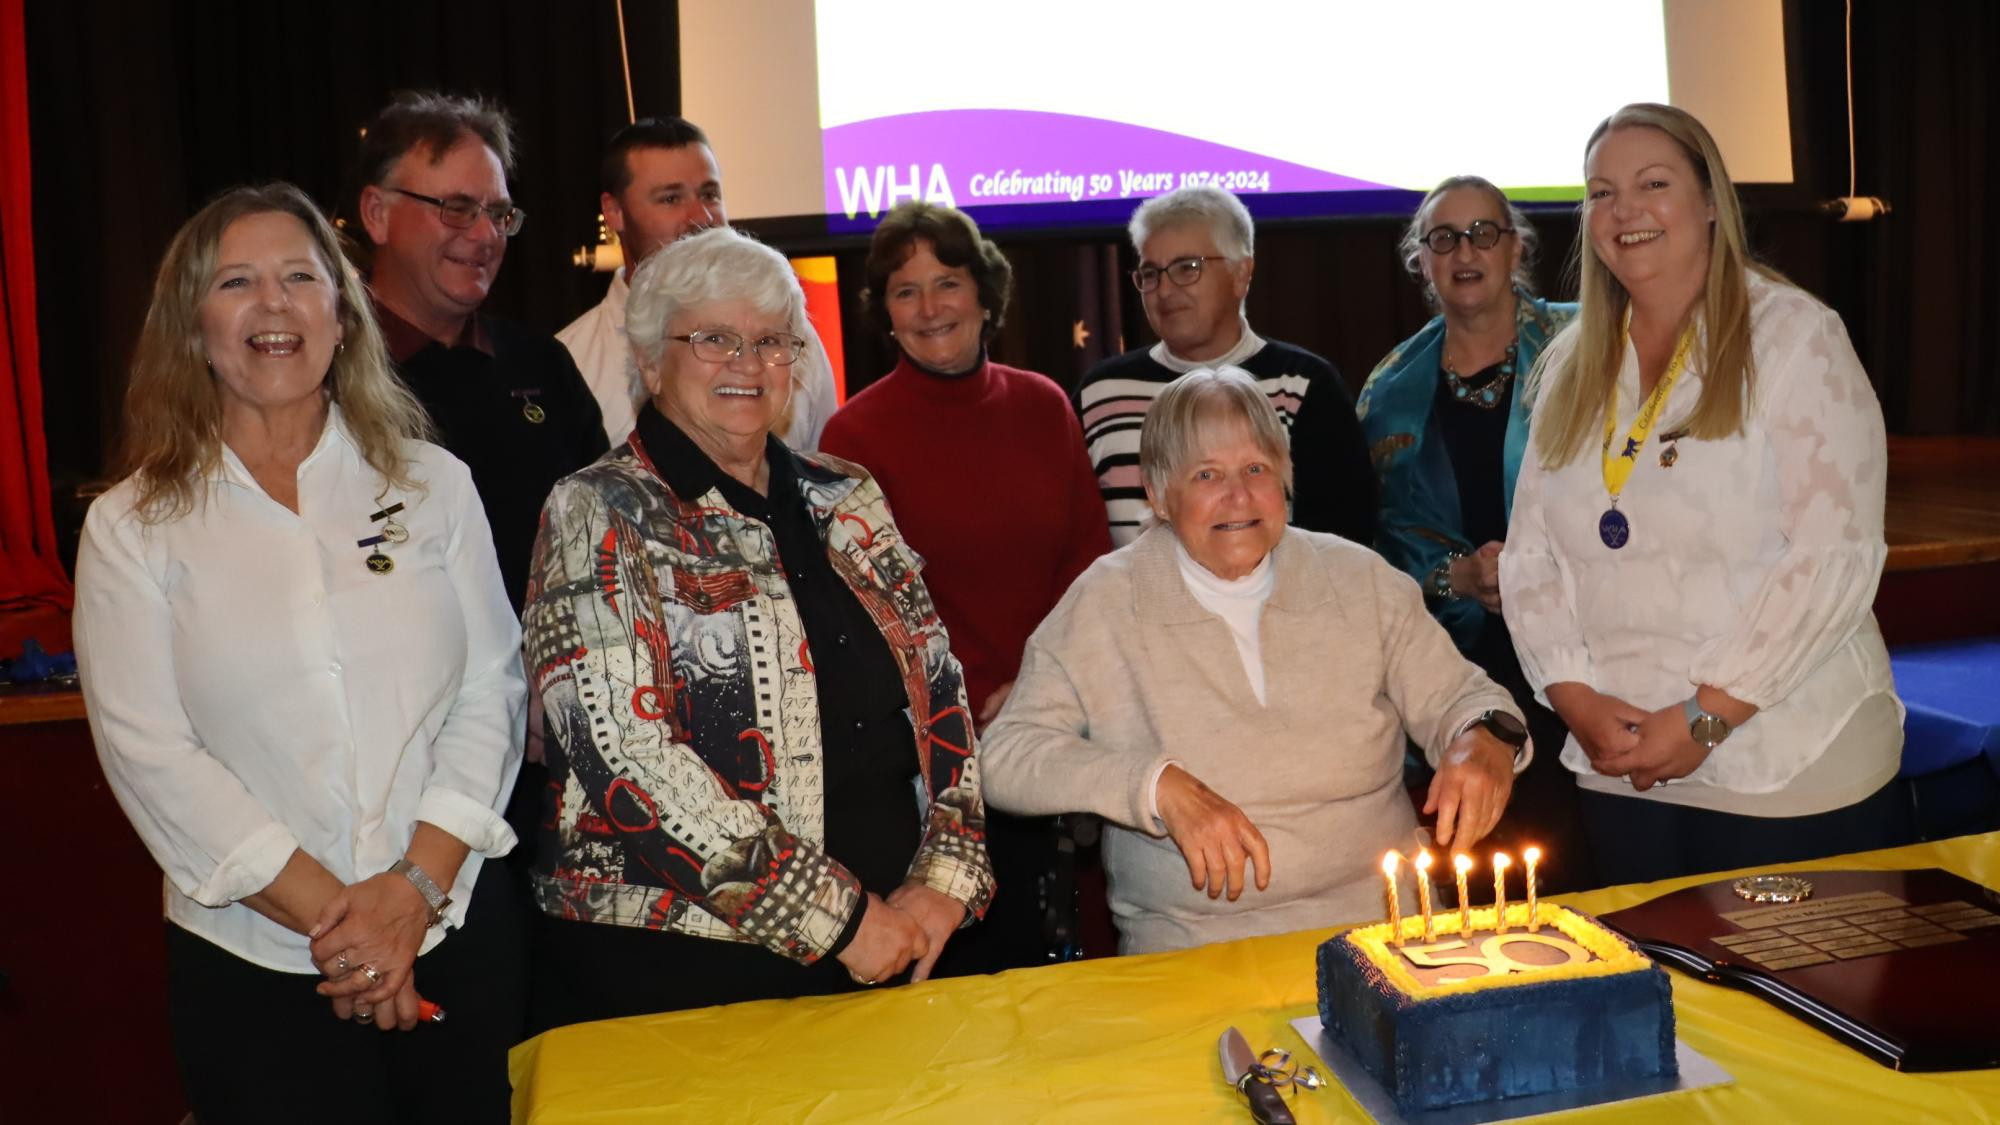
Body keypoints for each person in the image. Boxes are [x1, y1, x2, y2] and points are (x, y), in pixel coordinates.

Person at [72, 184, 527, 1123]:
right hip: (252, 974)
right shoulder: (131, 525)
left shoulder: (435, 484)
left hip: (453, 935)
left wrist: (411, 895)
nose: (273, 304)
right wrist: (356, 931)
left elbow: (492, 691)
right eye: (236, 281)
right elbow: (152, 756)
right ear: (192, 327)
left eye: (299, 278)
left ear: (341, 314)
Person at [522, 226, 995, 1028]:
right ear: (648, 360)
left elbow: (938, 689)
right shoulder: (597, 507)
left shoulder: (846, 494)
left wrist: (945, 878)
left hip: (899, 934)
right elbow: (623, 756)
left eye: (772, 340)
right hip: (687, 965)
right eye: (713, 338)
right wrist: (838, 919)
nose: (748, 361)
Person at [981, 368, 1525, 954]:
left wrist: (1485, 737)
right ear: (1160, 496)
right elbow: (1007, 757)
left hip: (1385, 934)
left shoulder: (1359, 580)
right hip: (1195, 949)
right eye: (1207, 475)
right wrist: (1154, 786)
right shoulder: (1107, 603)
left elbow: (1470, 700)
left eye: (1256, 470)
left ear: (1285, 481)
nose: (1237, 496)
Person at [1502, 103, 1909, 885]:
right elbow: (1529, 558)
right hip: (1620, 768)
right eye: (1600, 192)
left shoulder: (1796, 339)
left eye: (1652, 183)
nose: (1625, 211)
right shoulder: (1569, 365)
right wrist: (1574, 698)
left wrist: (1709, 714)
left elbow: (1835, 556)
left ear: (1711, 202)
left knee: (1799, 1011)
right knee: (1661, 1010)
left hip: (1789, 770)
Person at [819, 202, 1112, 972]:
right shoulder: (850, 439)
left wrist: (1037, 687)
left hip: (1046, 737)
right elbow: (854, 620)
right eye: (904, 291)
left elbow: (1090, 571)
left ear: (986, 294)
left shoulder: (1044, 405)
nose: (929, 308)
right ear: (883, 313)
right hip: (923, 770)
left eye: (946, 283)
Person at [1338, 176, 1592, 891]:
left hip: (1593, 651)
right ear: (1421, 260)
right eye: (1443, 238)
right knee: (1496, 891)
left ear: (1516, 247)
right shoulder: (1388, 389)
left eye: (1484, 232)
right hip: (1465, 668)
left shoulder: (1588, 342)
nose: (1465, 251)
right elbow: (1384, 545)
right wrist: (1461, 576)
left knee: (1593, 876)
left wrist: (1538, 570)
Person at [355, 90, 608, 612]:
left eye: (498, 212)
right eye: (457, 208)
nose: (486, 235)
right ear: (377, 214)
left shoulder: (543, 364)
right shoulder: (325, 375)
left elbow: (607, 535)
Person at [1075, 185, 1375, 547]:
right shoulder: (1100, 394)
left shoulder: (1302, 385)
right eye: (1151, 273)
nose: (1165, 290)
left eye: (1187, 268)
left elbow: (1341, 541)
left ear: (1241, 274)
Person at [557, 115, 839, 448]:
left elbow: (821, 468)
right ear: (614, 211)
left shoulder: (789, 339)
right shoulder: (571, 360)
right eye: (671, 199)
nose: (701, 218)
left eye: (709, 194)